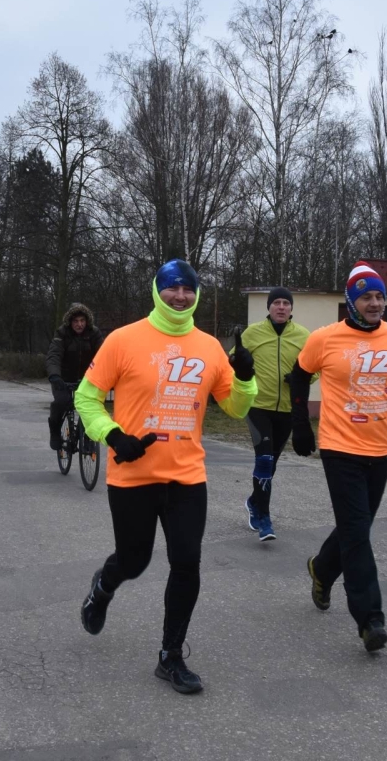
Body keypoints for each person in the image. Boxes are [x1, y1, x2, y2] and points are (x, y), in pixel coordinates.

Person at [74, 259, 257, 695]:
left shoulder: (209, 347)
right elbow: (87, 398)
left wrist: (247, 379)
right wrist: (113, 436)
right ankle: (103, 586)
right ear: (158, 291)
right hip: (134, 475)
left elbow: (236, 407)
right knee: (134, 561)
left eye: (189, 290)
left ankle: (170, 656)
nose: (181, 296)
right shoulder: (124, 340)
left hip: (186, 476)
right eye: (173, 288)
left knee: (187, 562)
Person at [287, 263, 387, 654]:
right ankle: (370, 619)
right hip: (339, 447)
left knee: (357, 527)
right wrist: (301, 424)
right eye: (366, 296)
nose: (375, 303)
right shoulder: (325, 338)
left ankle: (321, 568)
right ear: (351, 300)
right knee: (356, 532)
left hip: (381, 448)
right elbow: (299, 376)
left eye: (379, 296)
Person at [238, 286, 312, 542]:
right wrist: (240, 366)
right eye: (276, 303)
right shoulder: (253, 333)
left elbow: (317, 366)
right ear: (268, 307)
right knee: (265, 459)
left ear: (291, 308)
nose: (281, 307)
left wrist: (301, 379)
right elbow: (235, 360)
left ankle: (253, 501)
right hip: (258, 406)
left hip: (287, 410)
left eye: (286, 303)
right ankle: (264, 519)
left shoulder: (303, 336)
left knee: (272, 463)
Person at [46, 304, 105, 451]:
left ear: (87, 321)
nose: (79, 324)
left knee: (90, 405)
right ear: (70, 322)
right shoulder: (62, 333)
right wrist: (54, 375)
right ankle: (55, 432)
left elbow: (104, 355)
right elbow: (54, 355)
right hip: (63, 378)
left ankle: (86, 435)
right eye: (75, 321)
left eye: (82, 320)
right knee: (62, 402)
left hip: (87, 378)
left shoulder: (94, 333)